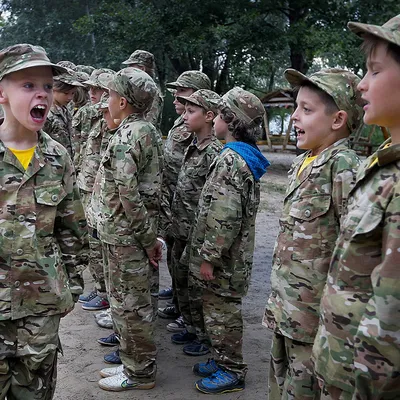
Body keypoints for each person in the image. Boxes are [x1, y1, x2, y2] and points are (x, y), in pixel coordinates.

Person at [312, 15, 400, 399]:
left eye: (375, 71)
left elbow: (391, 326)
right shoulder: (383, 165)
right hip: (340, 371)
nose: (362, 84)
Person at [262, 67, 363, 399]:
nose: (294, 117)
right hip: (286, 308)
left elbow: (353, 251)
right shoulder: (304, 161)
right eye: (295, 108)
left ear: (338, 120)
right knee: (280, 383)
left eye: (306, 110)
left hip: (314, 318)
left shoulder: (343, 165)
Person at [0, 43, 88, 399]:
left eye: (47, 86)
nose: (42, 94)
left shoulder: (57, 157)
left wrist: (69, 289)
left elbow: (73, 231)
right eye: (28, 85)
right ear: (1, 93)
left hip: (41, 312)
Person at [189, 87, 270, 394]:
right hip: (230, 256)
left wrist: (209, 257)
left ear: (230, 120)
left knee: (222, 312)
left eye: (220, 113)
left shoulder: (231, 161)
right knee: (216, 311)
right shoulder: (238, 157)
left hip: (224, 259)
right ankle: (221, 357)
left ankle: (232, 369)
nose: (217, 119)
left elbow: (225, 214)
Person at [90, 67, 163, 391]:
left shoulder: (131, 134)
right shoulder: (140, 130)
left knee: (131, 307)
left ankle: (140, 373)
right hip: (123, 235)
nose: (107, 101)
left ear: (122, 101)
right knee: (129, 304)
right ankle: (133, 362)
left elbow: (127, 192)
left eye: (110, 95)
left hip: (126, 237)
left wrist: (148, 240)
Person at [168, 89, 223, 357]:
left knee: (197, 287)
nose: (185, 116)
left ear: (210, 116)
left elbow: (213, 198)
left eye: (192, 111)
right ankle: (191, 326)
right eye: (186, 111)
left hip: (197, 231)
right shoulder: (193, 144)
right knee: (181, 280)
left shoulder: (214, 151)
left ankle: (204, 336)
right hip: (181, 226)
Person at [157, 70, 212, 329]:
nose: (176, 96)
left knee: (188, 265)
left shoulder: (202, 127)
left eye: (183, 91)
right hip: (175, 201)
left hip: (191, 208)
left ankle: (191, 317)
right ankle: (180, 303)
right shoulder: (182, 122)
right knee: (175, 257)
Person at [43, 69, 83, 159]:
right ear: (54, 89)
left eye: (73, 93)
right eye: (66, 93)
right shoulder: (46, 113)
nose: (70, 97)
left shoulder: (65, 111)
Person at [122, 49, 163, 129]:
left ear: (142, 69)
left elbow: (147, 125)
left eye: (131, 66)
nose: (128, 69)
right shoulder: (137, 90)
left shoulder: (152, 93)